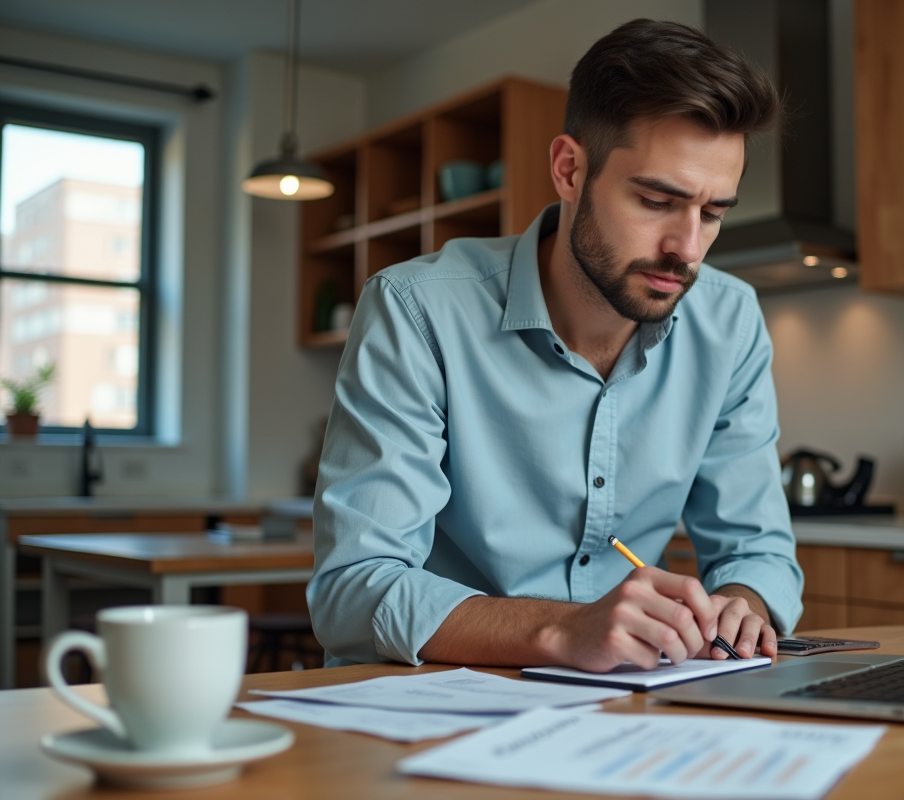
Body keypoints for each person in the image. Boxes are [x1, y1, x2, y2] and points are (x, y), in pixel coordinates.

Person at [308, 18, 804, 673]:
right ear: (569, 169)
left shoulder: (729, 320)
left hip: (628, 705)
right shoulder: (418, 308)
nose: (687, 248)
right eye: (658, 200)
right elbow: (353, 588)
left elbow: (756, 549)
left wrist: (744, 600)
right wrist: (564, 631)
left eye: (713, 214)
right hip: (434, 705)